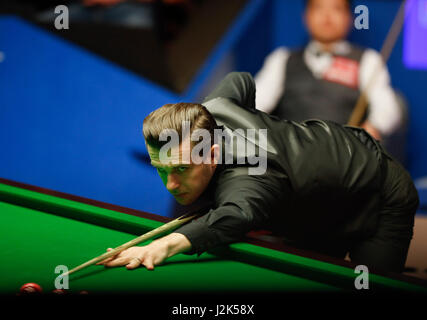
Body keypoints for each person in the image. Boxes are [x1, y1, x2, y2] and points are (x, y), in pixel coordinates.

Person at [98, 72, 418, 274]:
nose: (171, 184)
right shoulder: (215, 108)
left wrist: (163, 246)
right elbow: (240, 79)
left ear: (212, 154)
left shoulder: (250, 178)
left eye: (181, 168)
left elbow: (238, 213)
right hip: (313, 202)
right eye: (162, 169)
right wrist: (257, 125)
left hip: (377, 192)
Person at [255, 0, 401, 142]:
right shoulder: (282, 58)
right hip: (290, 157)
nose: (327, 16)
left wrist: (372, 128)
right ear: (306, 16)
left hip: (346, 159)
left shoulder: (368, 60)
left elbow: (387, 108)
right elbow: (256, 102)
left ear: (349, 17)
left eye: (336, 8)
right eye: (319, 7)